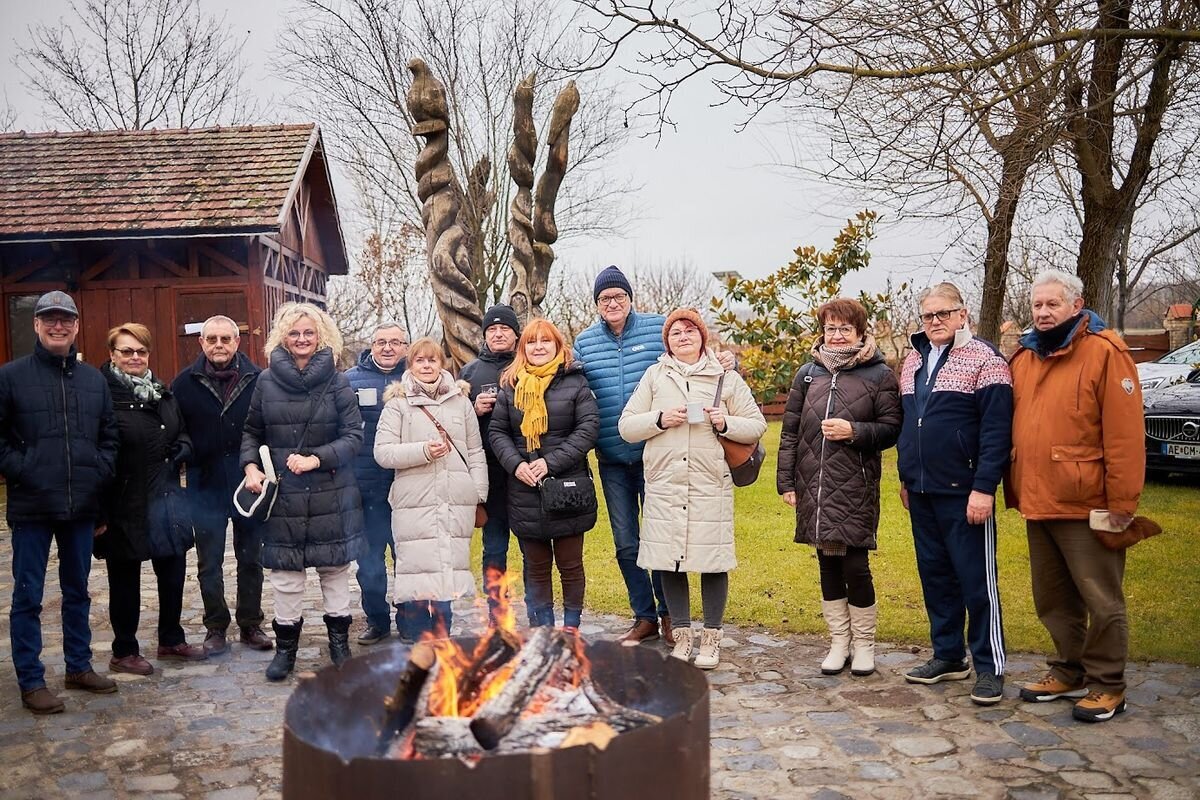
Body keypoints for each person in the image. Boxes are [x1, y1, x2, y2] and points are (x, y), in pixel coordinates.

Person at [1005, 270, 1145, 723]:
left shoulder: (1105, 352)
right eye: (1037, 306)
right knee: (1052, 596)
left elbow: (1125, 437)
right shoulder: (1024, 357)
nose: (1043, 313)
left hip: (1090, 503)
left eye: (1053, 304)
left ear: (1076, 304)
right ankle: (1069, 670)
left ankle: (1108, 684)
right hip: (1038, 497)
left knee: (1101, 598)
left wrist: (1122, 505)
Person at [573, 265, 735, 646]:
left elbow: (695, 356)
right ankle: (644, 615)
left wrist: (730, 361)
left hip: (661, 456)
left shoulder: (657, 327)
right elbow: (572, 383)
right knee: (626, 543)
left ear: (630, 298)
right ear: (596, 304)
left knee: (664, 540)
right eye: (604, 298)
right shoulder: (584, 342)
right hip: (613, 455)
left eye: (619, 296)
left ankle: (670, 617)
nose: (612, 303)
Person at [619, 309, 765, 668]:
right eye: (675, 333)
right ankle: (682, 638)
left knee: (712, 561)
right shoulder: (655, 376)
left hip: (708, 484)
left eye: (689, 331)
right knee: (670, 562)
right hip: (665, 485)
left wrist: (725, 421)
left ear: (702, 336)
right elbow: (627, 426)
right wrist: (660, 419)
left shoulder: (725, 379)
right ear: (666, 341)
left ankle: (711, 640)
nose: (682, 337)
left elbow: (757, 425)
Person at [0, 291, 120, 714]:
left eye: (65, 320)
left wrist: (98, 477)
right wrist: (25, 469)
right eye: (49, 319)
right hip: (32, 505)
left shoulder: (93, 380)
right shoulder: (11, 377)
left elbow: (109, 438)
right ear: (36, 325)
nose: (57, 326)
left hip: (80, 506)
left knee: (78, 591)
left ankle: (78, 666)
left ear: (75, 326)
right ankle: (31, 680)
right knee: (28, 596)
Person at [896, 283, 1012, 705]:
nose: (935, 322)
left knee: (977, 582)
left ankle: (989, 665)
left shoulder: (986, 360)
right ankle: (948, 656)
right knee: (936, 578)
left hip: (965, 493)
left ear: (963, 314)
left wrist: (984, 488)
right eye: (928, 316)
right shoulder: (912, 361)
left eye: (944, 314)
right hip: (922, 490)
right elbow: (909, 424)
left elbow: (997, 431)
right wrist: (905, 477)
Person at [776, 298, 901, 677]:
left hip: (855, 483)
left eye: (845, 328)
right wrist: (786, 481)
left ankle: (864, 644)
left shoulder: (880, 374)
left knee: (855, 564)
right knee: (827, 563)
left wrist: (855, 431)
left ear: (861, 332)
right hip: (813, 481)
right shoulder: (808, 375)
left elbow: (893, 428)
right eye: (831, 328)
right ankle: (838, 641)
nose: (837, 334)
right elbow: (790, 431)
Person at [240, 303, 365, 681]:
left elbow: (354, 437)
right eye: (294, 333)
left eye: (309, 333)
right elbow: (251, 432)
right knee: (286, 578)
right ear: (283, 336)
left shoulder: (338, 381)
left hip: (331, 492)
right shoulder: (265, 381)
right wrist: (250, 468)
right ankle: (285, 652)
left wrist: (316, 459)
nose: (301, 339)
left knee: (334, 571)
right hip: (284, 497)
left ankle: (339, 647)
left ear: (321, 335)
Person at [96, 323, 207, 675]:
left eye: (140, 351)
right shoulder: (103, 396)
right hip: (124, 501)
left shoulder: (162, 392)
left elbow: (183, 433)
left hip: (168, 497)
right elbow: (97, 452)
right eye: (126, 351)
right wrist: (98, 510)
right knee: (125, 579)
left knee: (173, 570)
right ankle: (124, 650)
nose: (134, 357)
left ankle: (171, 639)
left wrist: (182, 449)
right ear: (113, 354)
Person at [374, 337, 488, 640]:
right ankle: (414, 632)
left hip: (454, 498)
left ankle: (442, 631)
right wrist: (423, 450)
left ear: (442, 364)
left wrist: (477, 493)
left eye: (432, 360)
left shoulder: (460, 402)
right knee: (415, 566)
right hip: (415, 499)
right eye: (420, 361)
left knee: (447, 565)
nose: (427, 366)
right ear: (411, 365)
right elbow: (383, 453)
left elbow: (475, 451)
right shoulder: (397, 404)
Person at [489, 319, 600, 631]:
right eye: (531, 342)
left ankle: (572, 625)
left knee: (570, 564)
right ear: (523, 348)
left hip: (567, 485)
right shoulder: (510, 385)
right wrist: (516, 465)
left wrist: (550, 463)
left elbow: (588, 428)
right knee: (536, 566)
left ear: (557, 346)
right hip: (524, 487)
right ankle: (544, 627)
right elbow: (498, 431)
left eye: (545, 342)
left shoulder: (575, 382)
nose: (538, 347)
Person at [171, 315, 271, 655]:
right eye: (211, 339)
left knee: (250, 558)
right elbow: (175, 428)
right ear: (201, 342)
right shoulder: (184, 383)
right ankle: (215, 626)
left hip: (249, 481)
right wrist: (187, 451)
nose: (218, 345)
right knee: (208, 562)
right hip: (205, 483)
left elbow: (266, 425)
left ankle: (250, 623)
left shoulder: (259, 379)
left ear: (237, 341)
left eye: (225, 339)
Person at [344, 322, 408, 645]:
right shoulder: (349, 381)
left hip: (407, 489)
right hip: (365, 488)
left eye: (395, 342)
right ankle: (377, 620)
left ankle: (411, 619)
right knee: (369, 562)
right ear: (371, 345)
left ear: (405, 347)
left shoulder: (417, 379)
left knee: (408, 558)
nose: (387, 348)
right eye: (381, 342)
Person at [461, 304, 524, 624]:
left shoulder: (529, 363)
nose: (498, 334)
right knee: (494, 545)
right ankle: (497, 611)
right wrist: (474, 408)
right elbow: (454, 422)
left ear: (515, 334)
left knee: (533, 546)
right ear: (485, 335)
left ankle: (540, 608)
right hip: (489, 472)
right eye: (492, 330)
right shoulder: (470, 372)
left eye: (505, 329)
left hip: (525, 469)